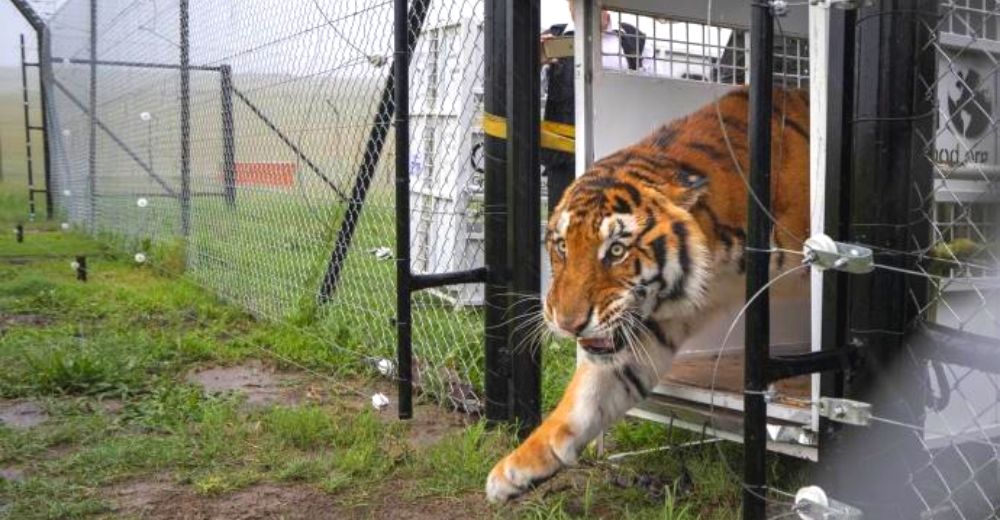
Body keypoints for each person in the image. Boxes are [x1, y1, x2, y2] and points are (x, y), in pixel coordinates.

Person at [540, 1, 653, 212]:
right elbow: (526, 96)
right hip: (566, 162)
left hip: (620, 157)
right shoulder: (555, 39)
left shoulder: (634, 41)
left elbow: (652, 93)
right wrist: (536, 61)